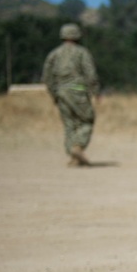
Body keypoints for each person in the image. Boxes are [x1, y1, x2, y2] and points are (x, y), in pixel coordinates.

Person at [42, 23, 100, 167]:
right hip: (78, 91)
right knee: (87, 120)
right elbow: (90, 74)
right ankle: (78, 147)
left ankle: (74, 157)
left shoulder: (54, 54)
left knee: (69, 125)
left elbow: (47, 76)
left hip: (61, 92)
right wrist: (95, 91)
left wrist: (54, 94)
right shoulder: (82, 52)